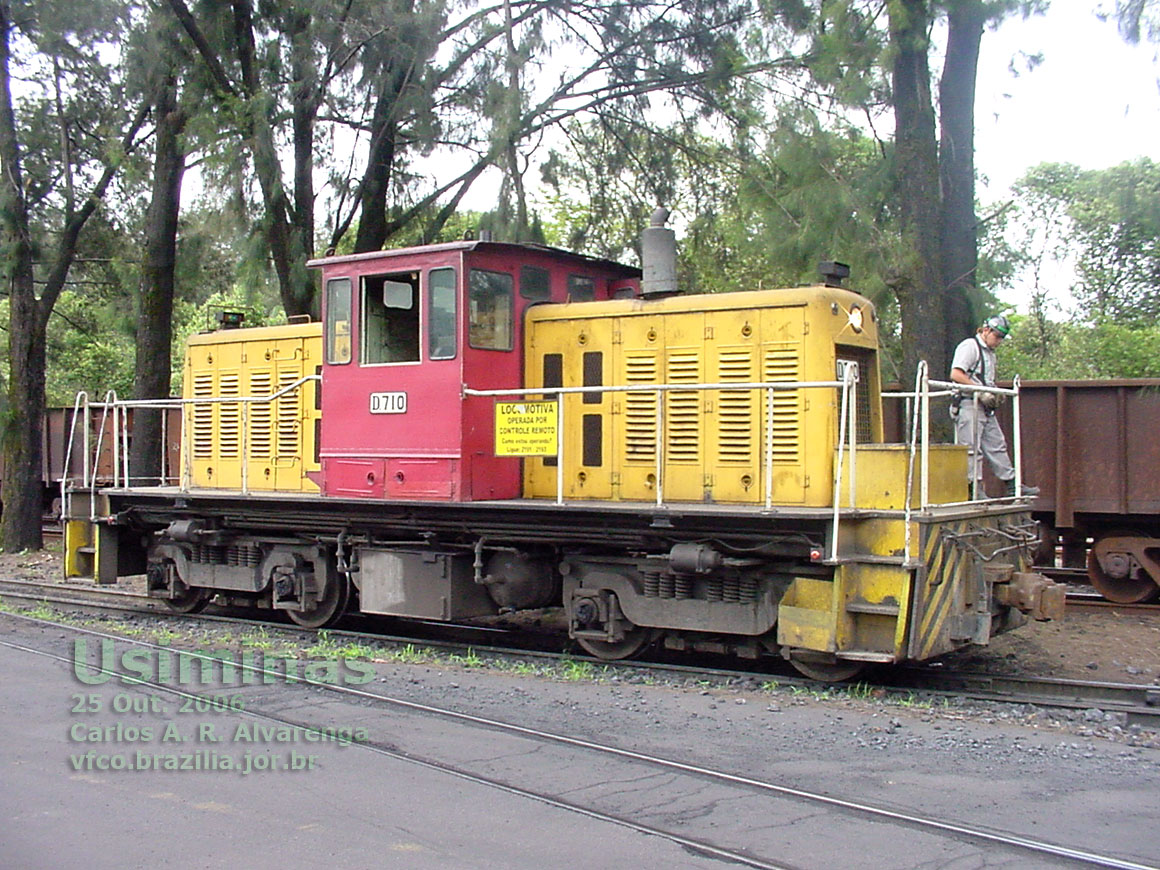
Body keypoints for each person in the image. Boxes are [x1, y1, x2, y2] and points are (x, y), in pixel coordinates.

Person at [949, 314, 1039, 498]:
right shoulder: (969, 347)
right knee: (971, 448)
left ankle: (1012, 485)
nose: (999, 341)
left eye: (1001, 338)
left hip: (984, 407)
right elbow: (956, 374)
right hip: (968, 404)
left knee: (997, 444)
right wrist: (980, 391)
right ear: (987, 330)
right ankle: (974, 489)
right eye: (997, 336)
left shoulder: (990, 354)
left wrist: (994, 394)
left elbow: (985, 379)